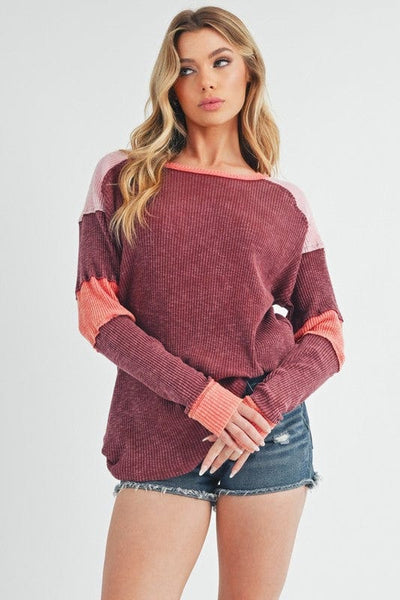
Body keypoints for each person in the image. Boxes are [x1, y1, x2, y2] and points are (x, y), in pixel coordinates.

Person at [75, 6, 345, 599]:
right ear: (169, 84)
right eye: (187, 68)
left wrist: (263, 407)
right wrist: (204, 399)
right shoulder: (124, 177)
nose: (206, 81)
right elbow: (98, 312)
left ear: (249, 72)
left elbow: (326, 333)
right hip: (158, 426)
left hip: (263, 432)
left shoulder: (284, 201)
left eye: (221, 62)